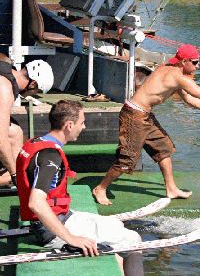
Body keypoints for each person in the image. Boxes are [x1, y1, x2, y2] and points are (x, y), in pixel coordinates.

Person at [93, 44, 200, 205]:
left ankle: (171, 188)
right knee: (127, 160)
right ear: (183, 61)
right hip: (134, 115)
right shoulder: (176, 76)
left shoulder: (171, 71)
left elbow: (189, 99)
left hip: (144, 114)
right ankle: (100, 188)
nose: (197, 66)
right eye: (194, 62)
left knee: (163, 148)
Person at [16, 100, 143, 275]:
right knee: (133, 239)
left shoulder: (36, 142)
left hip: (61, 216)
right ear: (69, 125)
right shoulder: (50, 156)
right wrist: (71, 239)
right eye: (82, 122)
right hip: (51, 230)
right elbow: (36, 203)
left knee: (115, 223)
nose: (83, 127)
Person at [0, 58, 54, 220]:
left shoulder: (6, 70)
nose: (34, 95)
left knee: (14, 132)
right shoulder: (4, 89)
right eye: (36, 92)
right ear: (33, 84)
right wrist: (15, 175)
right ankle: (12, 178)